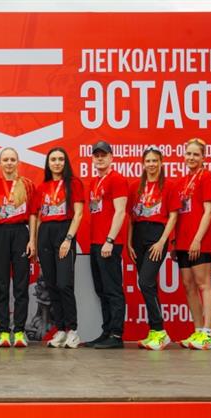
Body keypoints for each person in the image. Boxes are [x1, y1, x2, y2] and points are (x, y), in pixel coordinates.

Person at [126, 147, 180, 350]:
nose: (151, 164)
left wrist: (162, 241)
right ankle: (154, 332)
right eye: (148, 161)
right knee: (149, 285)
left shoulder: (169, 186)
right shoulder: (135, 186)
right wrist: (129, 242)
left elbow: (173, 216)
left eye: (155, 161)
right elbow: (131, 218)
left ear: (161, 163)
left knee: (145, 282)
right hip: (138, 236)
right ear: (143, 163)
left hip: (157, 236)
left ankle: (160, 330)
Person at [33, 147, 84, 348]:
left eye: (60, 159)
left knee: (64, 284)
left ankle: (73, 330)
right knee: (51, 284)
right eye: (53, 159)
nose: (57, 163)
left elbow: (78, 213)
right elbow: (38, 217)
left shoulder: (74, 183)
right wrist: (35, 241)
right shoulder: (42, 187)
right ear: (48, 163)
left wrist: (68, 239)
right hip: (45, 233)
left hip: (64, 231)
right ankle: (61, 330)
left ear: (65, 162)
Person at [0, 148, 37, 348]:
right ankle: (3, 332)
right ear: (0, 163)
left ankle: (19, 331)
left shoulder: (27, 185)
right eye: (5, 160)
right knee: (0, 285)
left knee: (20, 285)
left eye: (12, 159)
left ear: (18, 162)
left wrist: (32, 239)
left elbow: (33, 214)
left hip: (20, 233)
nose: (9, 163)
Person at [174, 138, 211, 350]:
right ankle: (198, 330)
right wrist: (175, 242)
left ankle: (208, 333)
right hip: (183, 241)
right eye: (188, 154)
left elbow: (209, 211)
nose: (191, 158)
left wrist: (197, 239)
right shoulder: (182, 181)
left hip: (199, 240)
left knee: (203, 284)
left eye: (196, 154)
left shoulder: (207, 177)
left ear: (203, 157)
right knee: (188, 285)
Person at [84, 141, 128, 349]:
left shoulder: (117, 179)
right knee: (101, 289)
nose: (100, 158)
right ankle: (107, 331)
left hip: (109, 243)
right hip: (95, 243)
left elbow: (120, 211)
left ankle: (117, 334)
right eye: (97, 155)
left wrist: (110, 239)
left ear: (111, 157)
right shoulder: (95, 181)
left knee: (112, 289)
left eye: (104, 155)